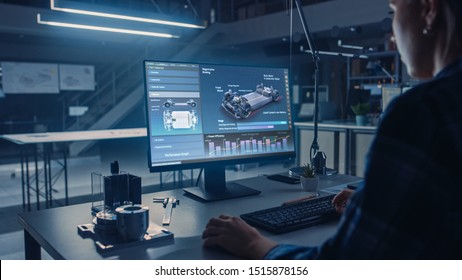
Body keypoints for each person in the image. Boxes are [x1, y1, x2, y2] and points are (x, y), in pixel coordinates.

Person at [202, 0, 462, 259]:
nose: (392, 32)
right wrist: (373, 200)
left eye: (394, 12)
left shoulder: (422, 112)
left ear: (428, 9)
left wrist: (254, 245)